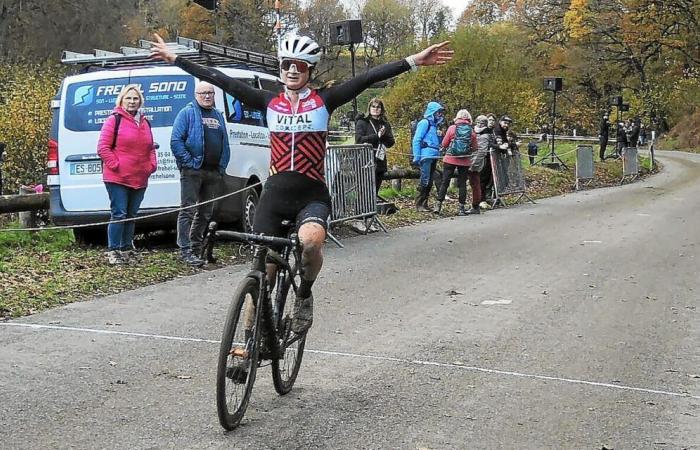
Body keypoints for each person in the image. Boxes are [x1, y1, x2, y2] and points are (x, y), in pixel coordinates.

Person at [151, 32, 452, 334]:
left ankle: (304, 294)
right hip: (273, 198)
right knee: (261, 275)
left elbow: (367, 77)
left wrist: (414, 61)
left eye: (300, 65)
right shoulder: (267, 102)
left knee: (309, 244)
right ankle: (245, 342)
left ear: (309, 70)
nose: (292, 70)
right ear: (280, 69)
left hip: (311, 196)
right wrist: (176, 59)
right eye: (287, 65)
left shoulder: (324, 100)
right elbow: (220, 79)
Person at [170, 81, 231, 267]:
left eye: (210, 93)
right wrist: (189, 163)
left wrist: (221, 166)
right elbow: (176, 141)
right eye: (203, 93)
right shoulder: (187, 113)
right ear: (196, 95)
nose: (207, 96)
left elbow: (225, 142)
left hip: (213, 172)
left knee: (205, 212)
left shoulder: (218, 115)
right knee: (188, 210)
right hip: (192, 171)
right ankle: (185, 249)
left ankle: (197, 247)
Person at [97, 84, 157, 265]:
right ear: (122, 100)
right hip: (118, 177)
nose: (132, 102)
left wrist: (151, 165)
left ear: (140, 101)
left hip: (140, 177)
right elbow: (102, 148)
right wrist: (116, 164)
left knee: (132, 214)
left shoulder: (145, 122)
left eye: (135, 98)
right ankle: (113, 250)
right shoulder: (113, 120)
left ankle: (127, 248)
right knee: (119, 213)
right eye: (129, 98)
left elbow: (151, 147)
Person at [435, 109, 479, 216]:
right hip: (464, 161)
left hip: (450, 158)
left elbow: (444, 144)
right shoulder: (471, 131)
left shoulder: (452, 128)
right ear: (469, 118)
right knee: (462, 184)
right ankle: (461, 209)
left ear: (457, 117)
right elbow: (475, 148)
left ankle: (438, 205)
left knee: (445, 182)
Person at [354, 98, 395, 195]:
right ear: (369, 108)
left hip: (380, 159)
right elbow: (359, 140)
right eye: (373, 106)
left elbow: (391, 143)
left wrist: (384, 135)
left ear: (381, 109)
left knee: (375, 190)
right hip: (364, 160)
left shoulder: (385, 124)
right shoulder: (363, 122)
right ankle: (361, 209)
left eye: (378, 107)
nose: (376, 109)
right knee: (364, 191)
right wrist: (377, 136)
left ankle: (373, 209)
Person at [411, 101, 446, 212]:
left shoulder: (434, 126)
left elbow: (435, 141)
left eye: (440, 112)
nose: (440, 114)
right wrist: (417, 156)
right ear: (433, 112)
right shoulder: (424, 123)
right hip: (425, 156)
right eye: (438, 112)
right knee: (425, 180)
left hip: (433, 156)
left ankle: (425, 203)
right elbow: (417, 139)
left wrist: (440, 137)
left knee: (430, 180)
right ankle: (419, 204)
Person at [478, 113, 497, 207]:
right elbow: (487, 144)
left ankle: (487, 197)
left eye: (493, 120)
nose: (491, 122)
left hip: (490, 158)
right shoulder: (482, 131)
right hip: (482, 157)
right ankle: (481, 199)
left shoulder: (493, 132)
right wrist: (499, 146)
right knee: (482, 179)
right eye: (489, 120)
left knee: (489, 180)